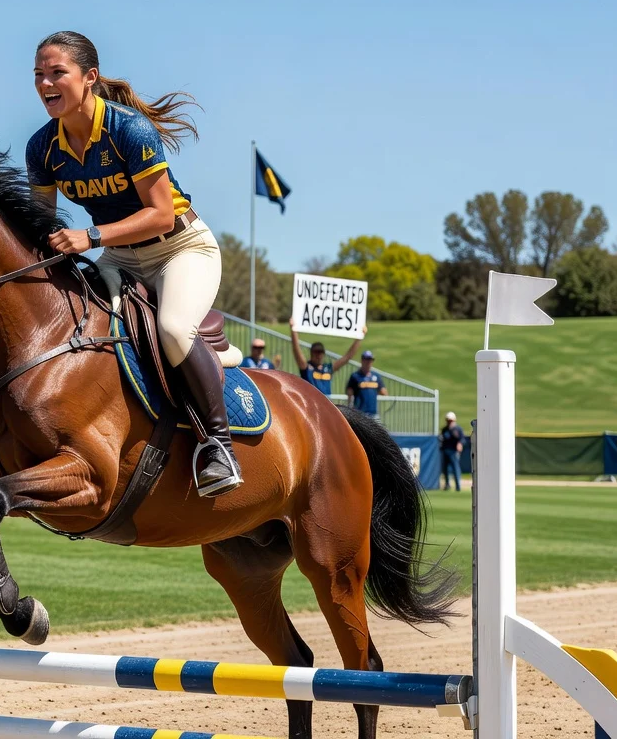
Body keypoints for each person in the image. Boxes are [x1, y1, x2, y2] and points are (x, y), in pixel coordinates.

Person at [27, 31, 239, 498]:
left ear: (90, 78)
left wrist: (91, 236)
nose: (45, 82)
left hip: (181, 247)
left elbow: (161, 213)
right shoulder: (41, 148)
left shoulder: (129, 129)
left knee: (174, 329)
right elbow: (37, 224)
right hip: (121, 256)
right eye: (39, 74)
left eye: (57, 72)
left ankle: (218, 446)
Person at [291, 322, 366, 395]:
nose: (318, 355)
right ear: (311, 353)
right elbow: (296, 351)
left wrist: (360, 336)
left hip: (326, 405)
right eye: (316, 352)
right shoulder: (307, 368)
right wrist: (293, 331)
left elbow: (347, 357)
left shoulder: (328, 368)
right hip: (311, 405)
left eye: (320, 352)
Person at [345, 350, 388, 419]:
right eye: (366, 359)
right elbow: (349, 392)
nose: (368, 362)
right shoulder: (355, 376)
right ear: (362, 360)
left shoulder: (376, 376)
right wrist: (350, 407)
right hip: (359, 413)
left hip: (373, 413)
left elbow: (384, 392)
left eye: (370, 360)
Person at [439, 412, 465, 492]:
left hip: (453, 451)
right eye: (448, 420)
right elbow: (442, 439)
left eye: (451, 420)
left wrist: (460, 444)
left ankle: (458, 486)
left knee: (455, 468)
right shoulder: (444, 429)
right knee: (445, 469)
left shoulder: (458, 429)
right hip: (445, 451)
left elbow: (462, 439)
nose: (449, 422)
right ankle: (447, 485)